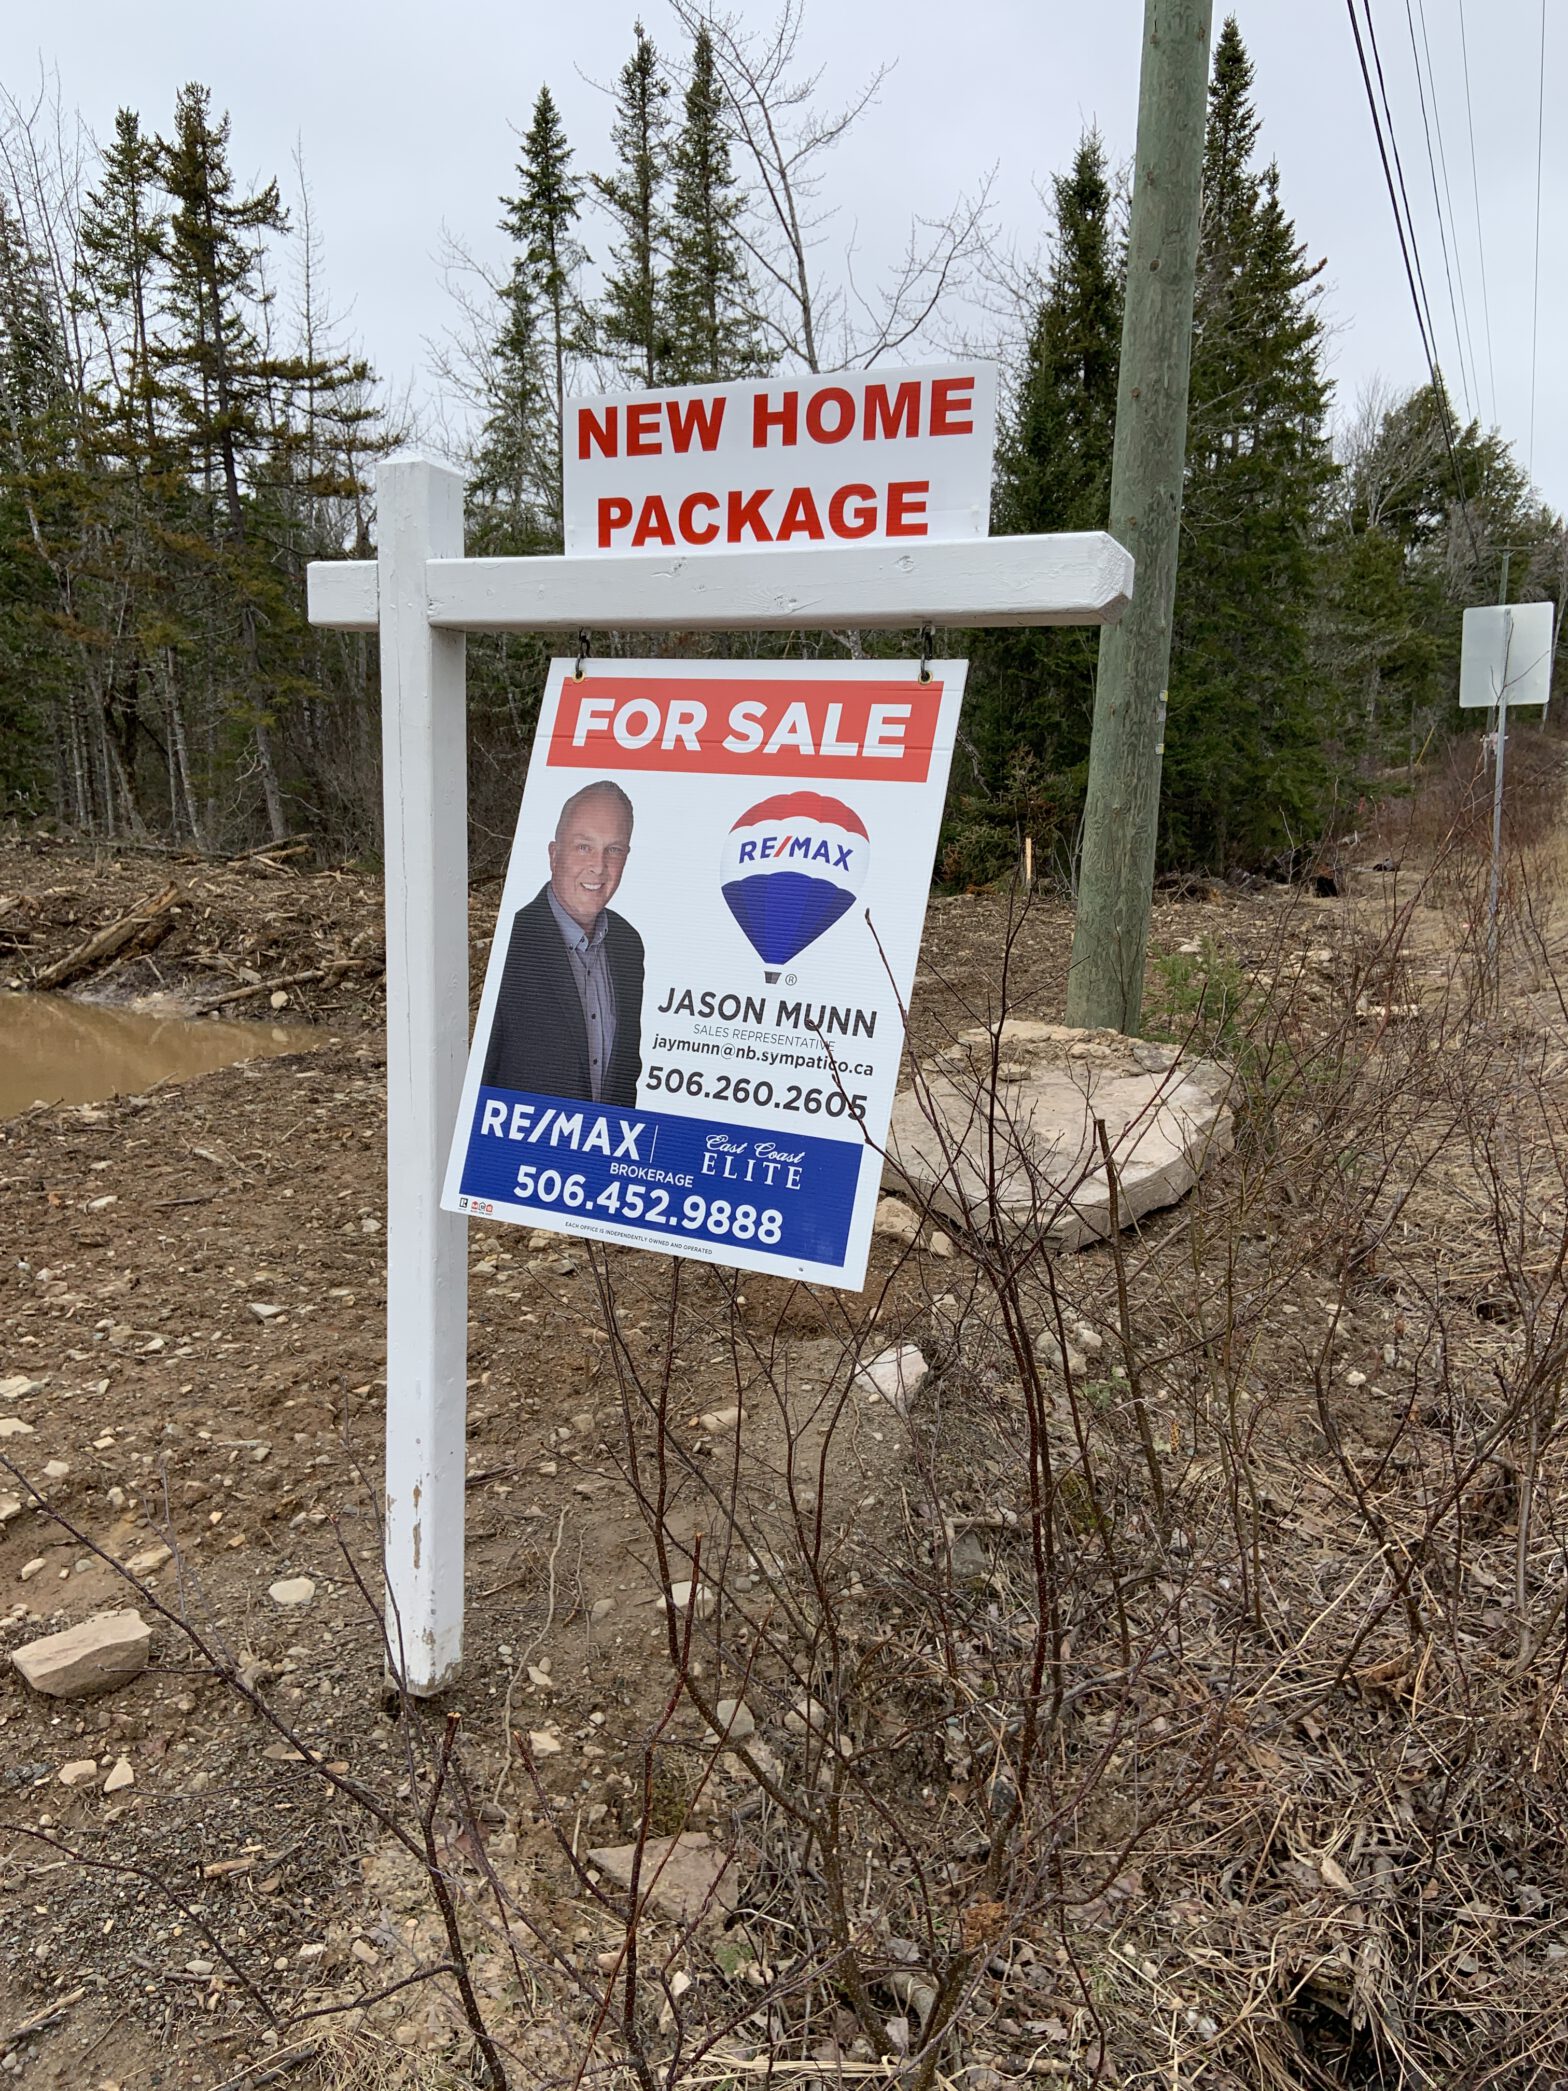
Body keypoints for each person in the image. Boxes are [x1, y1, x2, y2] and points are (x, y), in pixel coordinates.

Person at [480, 780, 644, 1106]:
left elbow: (626, 1073)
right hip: (519, 1151)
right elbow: (484, 1074)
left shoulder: (628, 944)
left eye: (613, 849)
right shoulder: (512, 942)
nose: (598, 866)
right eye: (584, 847)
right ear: (554, 854)